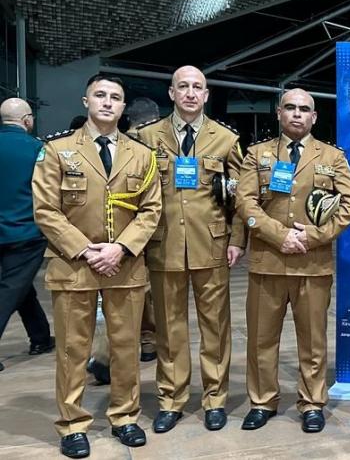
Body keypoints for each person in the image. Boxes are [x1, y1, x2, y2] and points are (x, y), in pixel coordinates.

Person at [32, 74, 161, 458]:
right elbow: (46, 210)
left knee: (125, 347)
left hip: (125, 265)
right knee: (73, 349)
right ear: (86, 100)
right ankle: (72, 424)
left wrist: (120, 248)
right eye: (100, 95)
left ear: (123, 107)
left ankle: (124, 417)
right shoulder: (57, 150)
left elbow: (151, 210)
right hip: (74, 266)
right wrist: (88, 251)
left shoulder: (141, 155)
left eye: (115, 97)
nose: (107, 102)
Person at [237, 88, 350, 432]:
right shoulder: (257, 154)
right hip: (267, 262)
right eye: (289, 107)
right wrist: (280, 235)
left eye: (304, 109)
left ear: (314, 117)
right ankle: (262, 401)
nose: (296, 114)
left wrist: (311, 236)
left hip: (312, 263)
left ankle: (312, 402)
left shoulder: (332, 157)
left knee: (313, 340)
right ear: (278, 113)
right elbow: (245, 203)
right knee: (261, 339)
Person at [134, 66, 245, 433]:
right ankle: (171, 398)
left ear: (207, 94)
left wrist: (237, 240)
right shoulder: (147, 137)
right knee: (169, 328)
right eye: (183, 87)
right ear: (171, 93)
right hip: (164, 246)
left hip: (210, 245)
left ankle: (215, 398)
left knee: (215, 327)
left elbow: (241, 197)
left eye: (198, 87)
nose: (191, 94)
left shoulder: (225, 139)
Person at [87, 97, 161, 385]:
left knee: (120, 300)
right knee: (136, 297)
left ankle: (110, 355)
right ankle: (123, 352)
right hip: (137, 239)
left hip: (123, 237)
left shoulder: (128, 146)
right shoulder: (135, 149)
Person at [0, 98, 55, 374]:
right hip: (26, 232)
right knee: (10, 290)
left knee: (20, 287)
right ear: (28, 120)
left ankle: (40, 337)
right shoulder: (38, 150)